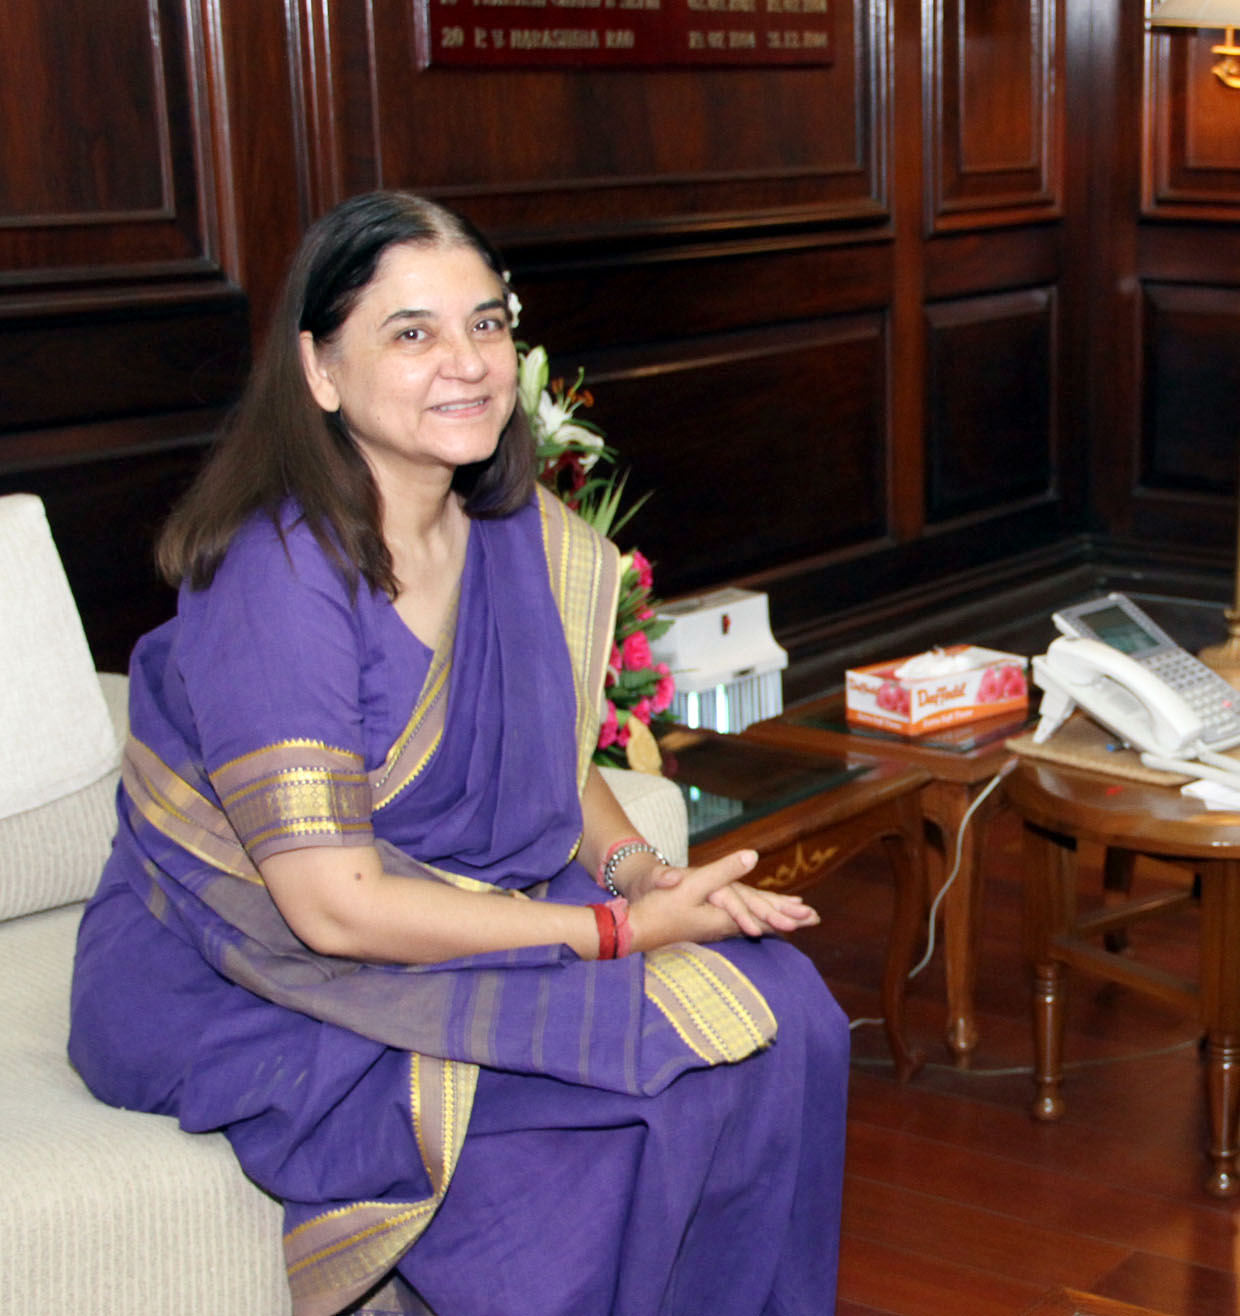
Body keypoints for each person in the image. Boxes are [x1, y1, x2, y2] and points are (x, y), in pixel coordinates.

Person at [68, 191, 848, 1316]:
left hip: (457, 900)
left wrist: (644, 874)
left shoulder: (508, 531)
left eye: (487, 324)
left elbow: (549, 747)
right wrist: (610, 933)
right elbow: (332, 909)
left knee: (796, 1017)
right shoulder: (281, 576)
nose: (469, 362)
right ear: (320, 370)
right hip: (249, 964)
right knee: (655, 1085)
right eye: (413, 331)